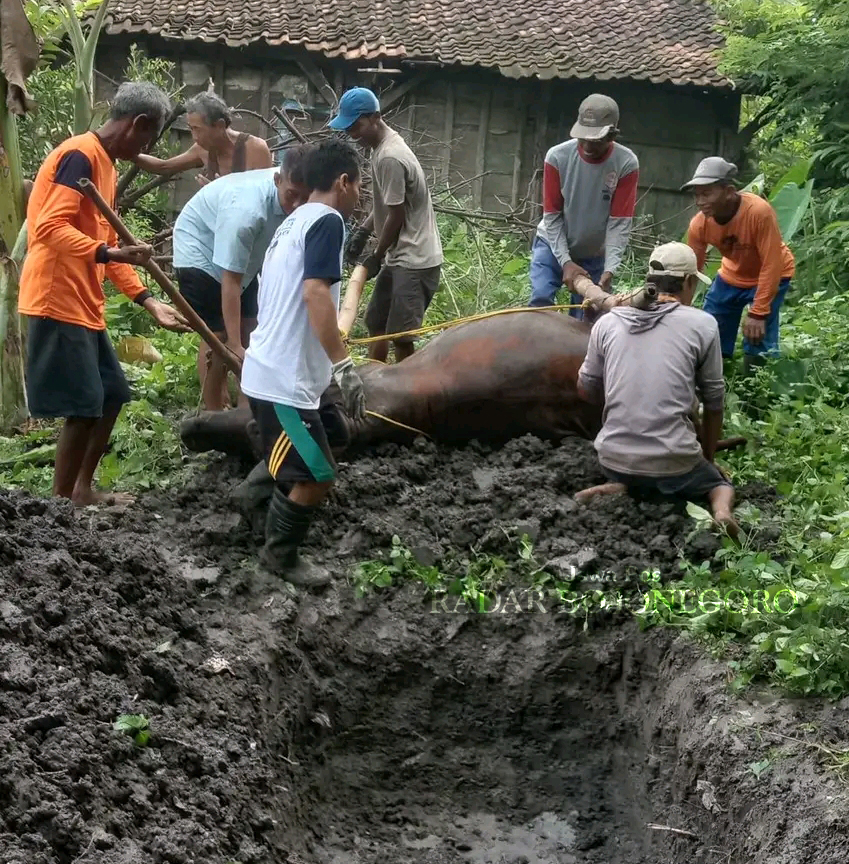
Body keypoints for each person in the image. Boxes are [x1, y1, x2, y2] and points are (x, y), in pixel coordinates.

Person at [18, 82, 189, 507]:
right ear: (139, 124)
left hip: (83, 304)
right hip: (55, 298)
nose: (147, 147)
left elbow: (109, 248)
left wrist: (148, 300)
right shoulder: (79, 155)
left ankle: (82, 489)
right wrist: (107, 250)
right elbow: (48, 228)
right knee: (84, 405)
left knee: (111, 393)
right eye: (149, 138)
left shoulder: (106, 166)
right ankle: (59, 507)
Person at [240, 139, 366, 587]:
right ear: (343, 181)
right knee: (318, 475)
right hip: (283, 383)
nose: (358, 197)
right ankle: (281, 555)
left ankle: (252, 495)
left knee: (334, 433)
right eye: (358, 186)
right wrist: (343, 364)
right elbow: (315, 293)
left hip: (276, 372)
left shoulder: (292, 222)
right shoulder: (328, 221)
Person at [574, 242, 739, 537]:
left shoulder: (607, 322)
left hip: (613, 459)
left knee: (633, 470)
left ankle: (623, 485)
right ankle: (722, 511)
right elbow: (714, 402)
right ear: (688, 282)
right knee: (719, 484)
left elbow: (585, 390)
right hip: (676, 465)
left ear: (649, 280)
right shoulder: (703, 324)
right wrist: (708, 459)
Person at [171, 145, 312, 410]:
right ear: (277, 180)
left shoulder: (301, 190)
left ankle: (247, 407)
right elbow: (231, 279)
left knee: (252, 329)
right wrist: (233, 344)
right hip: (200, 247)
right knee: (218, 336)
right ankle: (214, 412)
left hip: (244, 257)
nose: (297, 205)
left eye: (305, 199)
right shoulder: (247, 212)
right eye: (292, 195)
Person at [330, 87, 443, 363]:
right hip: (399, 255)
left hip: (415, 259)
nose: (352, 133)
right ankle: (375, 379)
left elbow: (397, 214)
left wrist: (377, 255)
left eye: (356, 126)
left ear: (375, 117)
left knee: (401, 336)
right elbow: (385, 204)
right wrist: (363, 231)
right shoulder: (378, 149)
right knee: (376, 324)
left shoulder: (391, 157)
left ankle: (405, 396)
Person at [529, 94, 639, 320]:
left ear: (612, 135)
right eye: (583, 138)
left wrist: (610, 269)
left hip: (594, 255)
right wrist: (566, 262)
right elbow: (552, 216)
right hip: (552, 244)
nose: (588, 145)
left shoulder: (626, 163)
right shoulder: (557, 157)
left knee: (590, 317)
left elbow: (619, 222)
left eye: (596, 140)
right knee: (539, 302)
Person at [684, 157, 795, 372]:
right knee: (712, 328)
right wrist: (680, 309)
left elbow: (772, 263)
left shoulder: (758, 213)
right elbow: (692, 270)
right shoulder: (699, 224)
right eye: (697, 195)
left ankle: (755, 392)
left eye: (706, 194)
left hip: (774, 272)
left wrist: (758, 313)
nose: (699, 201)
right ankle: (714, 379)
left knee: (757, 336)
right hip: (732, 275)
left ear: (729, 191)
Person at [132, 91, 273, 188]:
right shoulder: (202, 150)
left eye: (198, 129)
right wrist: (129, 152)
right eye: (191, 129)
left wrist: (220, 192)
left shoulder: (256, 149)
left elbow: (264, 200)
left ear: (220, 125)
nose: (195, 137)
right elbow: (164, 167)